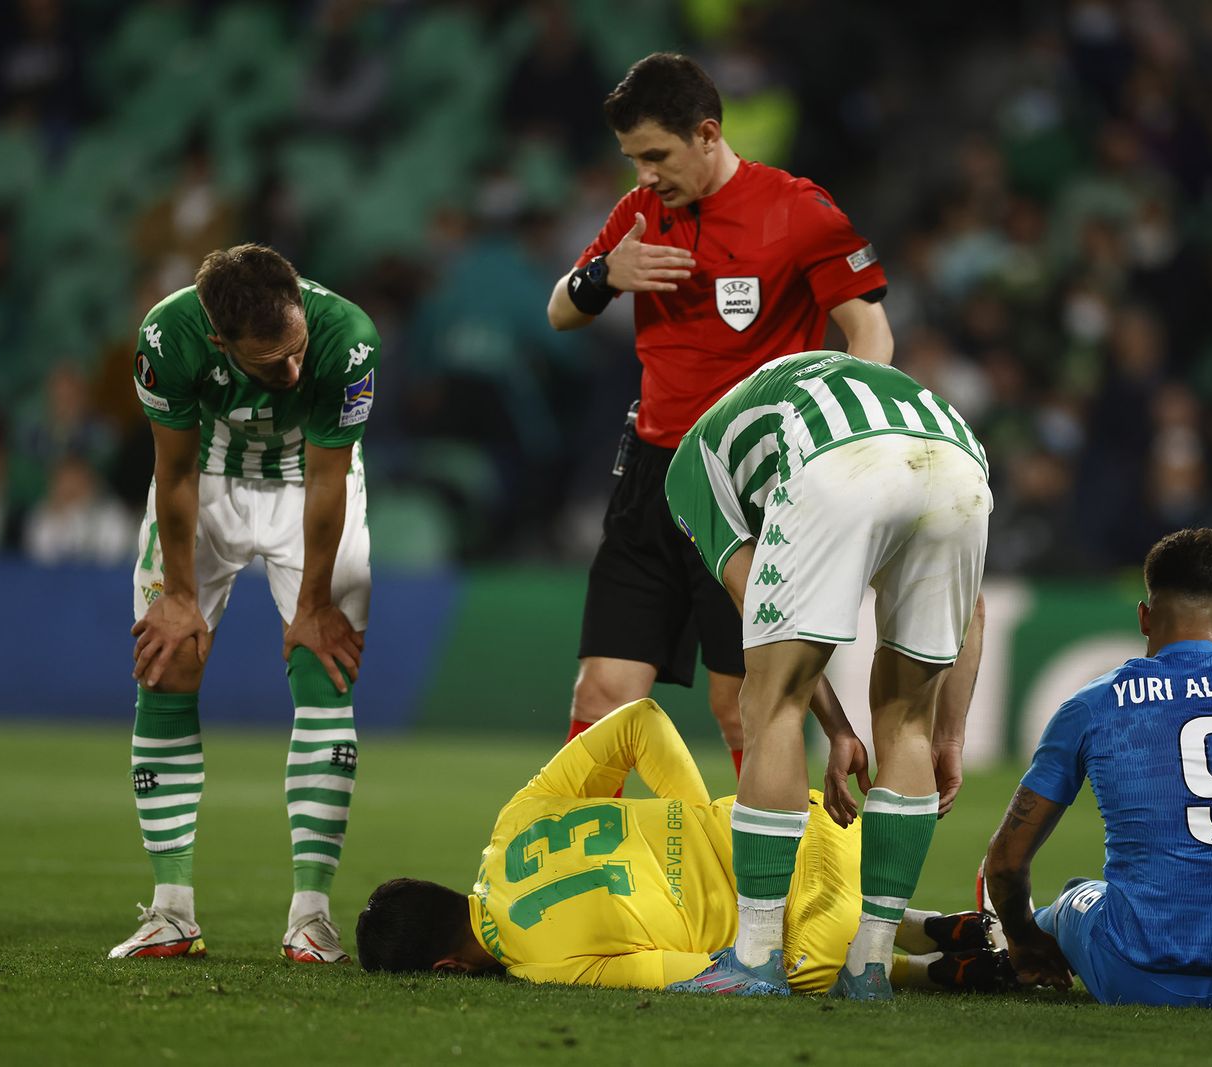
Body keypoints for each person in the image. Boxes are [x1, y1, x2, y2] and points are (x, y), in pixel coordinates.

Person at [546, 52, 893, 772]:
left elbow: (869, 331)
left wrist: (845, 444)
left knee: (745, 704)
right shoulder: (639, 214)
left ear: (707, 134)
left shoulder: (797, 211)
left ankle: (784, 881)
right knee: (604, 689)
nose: (643, 174)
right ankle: (571, 872)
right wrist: (604, 276)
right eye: (633, 158)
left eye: (655, 155)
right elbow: (561, 310)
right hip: (651, 472)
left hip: (751, 484)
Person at [662, 351, 991, 1000]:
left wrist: (836, 727)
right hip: (959, 460)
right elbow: (973, 608)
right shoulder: (824, 384)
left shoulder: (687, 468)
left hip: (840, 463)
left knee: (769, 698)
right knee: (909, 722)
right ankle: (869, 963)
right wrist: (949, 737)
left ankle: (755, 959)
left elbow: (759, 599)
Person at [110, 244, 379, 964]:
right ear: (220, 342)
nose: (292, 372)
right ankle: (171, 912)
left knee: (327, 672)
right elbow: (172, 472)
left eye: (296, 353)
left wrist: (314, 604)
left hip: (308, 491)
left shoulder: (346, 337)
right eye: (270, 363)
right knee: (167, 661)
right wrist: (177, 598)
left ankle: (311, 916)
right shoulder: (167, 339)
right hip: (208, 487)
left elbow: (329, 478)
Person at [355, 698, 1006, 993]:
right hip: (803, 817)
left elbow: (712, 977)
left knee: (801, 967)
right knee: (806, 931)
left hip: (812, 914)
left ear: (447, 968)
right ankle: (930, 927)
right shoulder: (514, 821)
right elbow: (639, 720)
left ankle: (927, 968)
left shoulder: (544, 964)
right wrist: (695, 820)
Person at [983, 528, 1212, 1008]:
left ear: (1144, 617)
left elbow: (1006, 863)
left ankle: (1008, 949)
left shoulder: (1095, 704)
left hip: (1137, 974)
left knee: (1078, 896)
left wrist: (1024, 933)